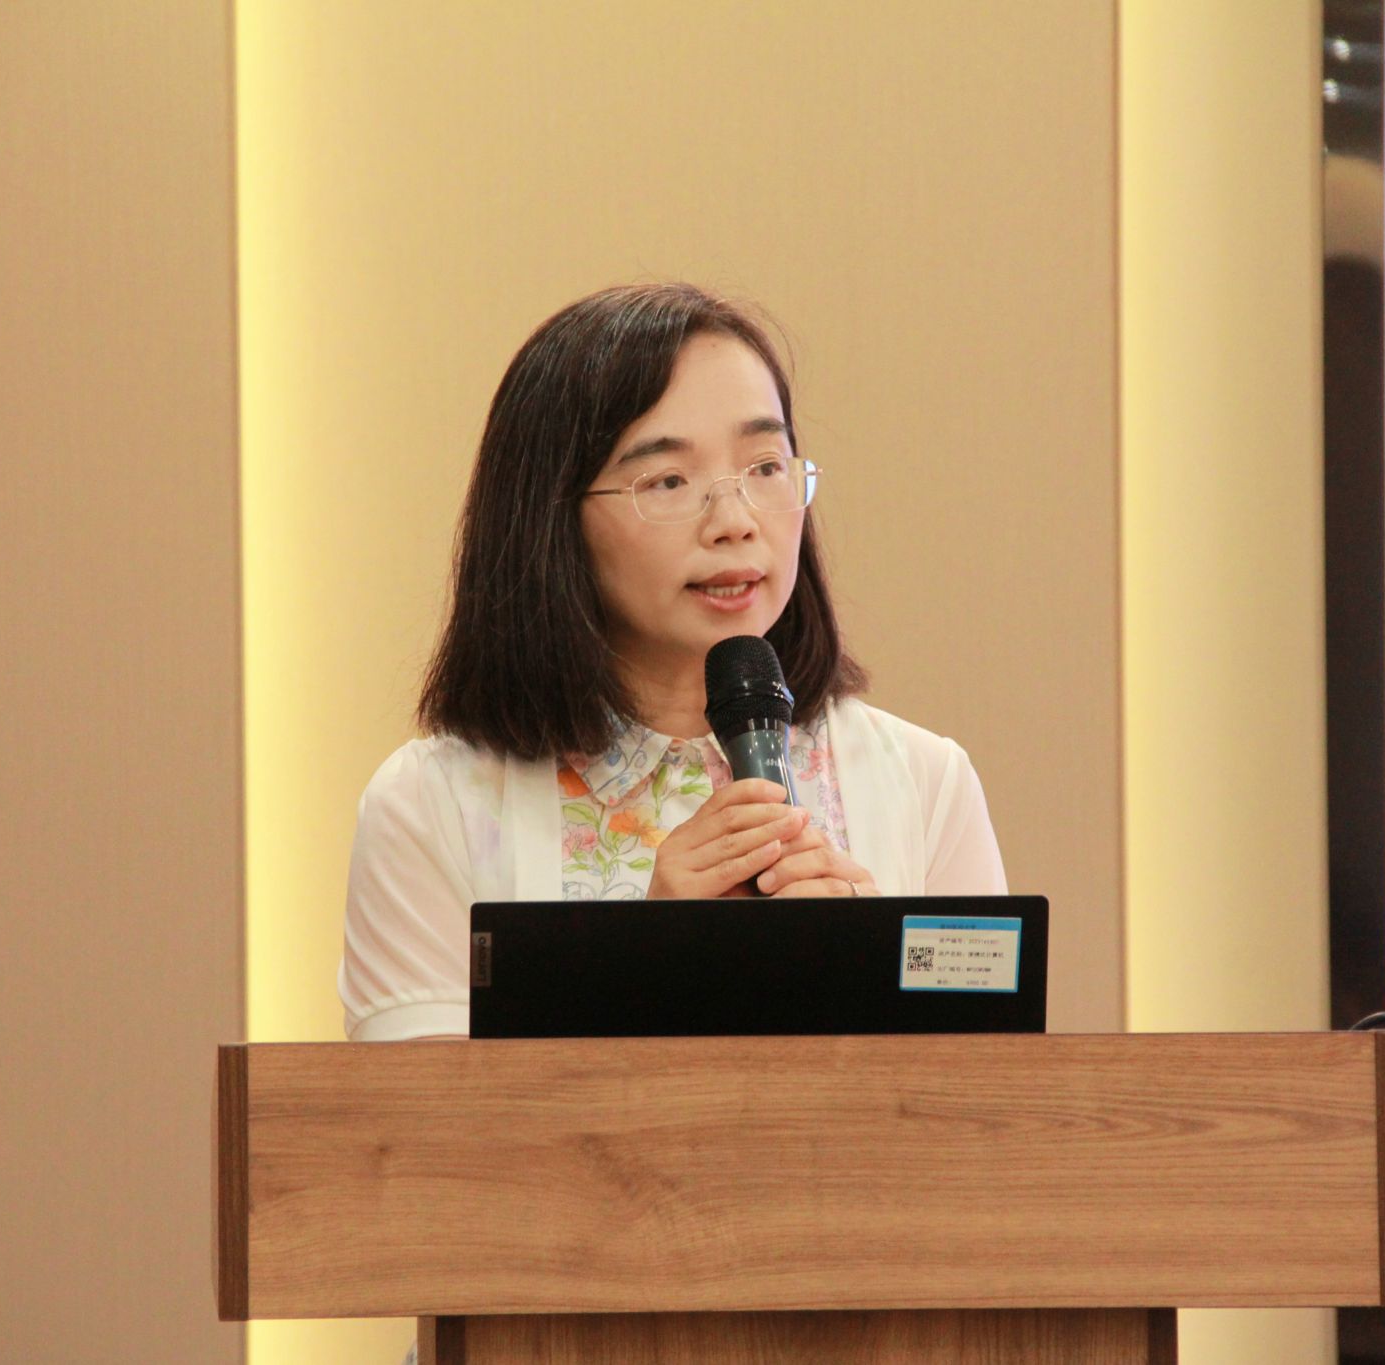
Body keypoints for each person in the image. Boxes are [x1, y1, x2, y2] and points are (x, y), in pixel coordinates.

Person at [338, 283, 1007, 1043]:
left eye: (765, 466)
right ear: (551, 518)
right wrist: (652, 971)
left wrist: (865, 983)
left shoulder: (923, 782)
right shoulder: (431, 807)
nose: (735, 522)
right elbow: (421, 1117)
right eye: (668, 481)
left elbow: (991, 1100)